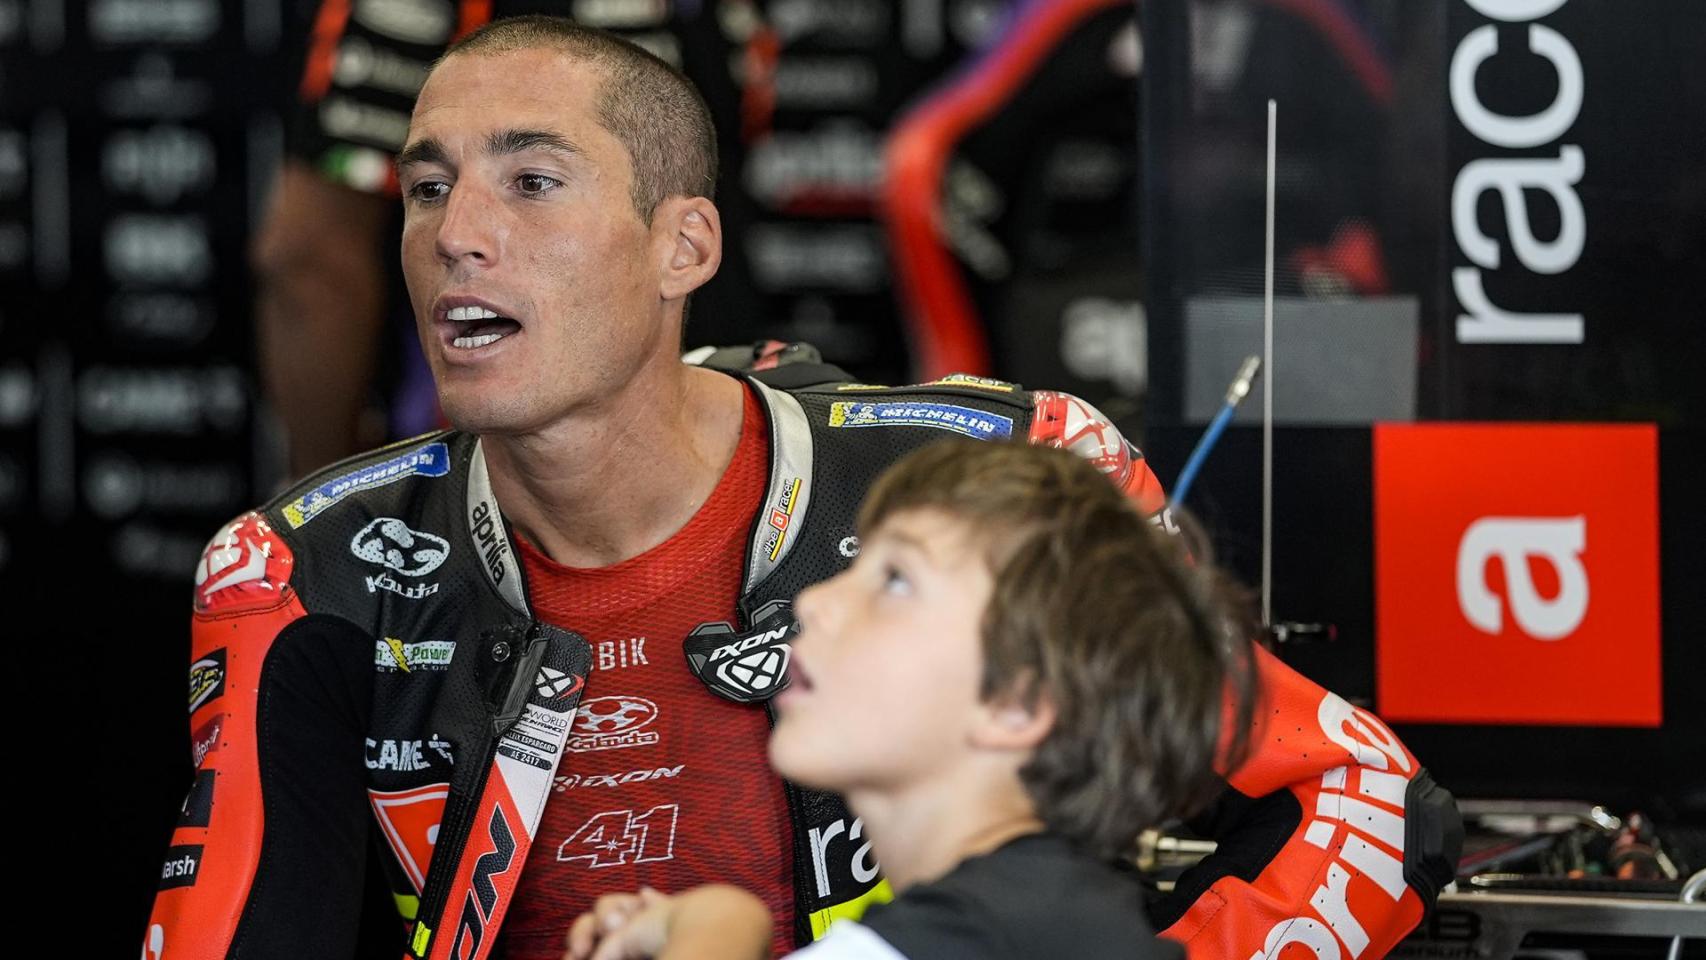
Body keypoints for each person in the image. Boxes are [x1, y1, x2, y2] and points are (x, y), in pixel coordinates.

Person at [146, 16, 1458, 960]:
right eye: (426, 187)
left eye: (532, 182)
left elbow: (1364, 802)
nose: (457, 235)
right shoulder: (302, 572)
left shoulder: (990, 484)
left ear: (685, 244)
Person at [565, 439, 1254, 960]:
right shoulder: (1057, 918)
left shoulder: (967, 938)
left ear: (1014, 705)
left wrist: (715, 924)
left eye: (895, 580)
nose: (817, 601)